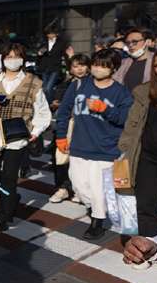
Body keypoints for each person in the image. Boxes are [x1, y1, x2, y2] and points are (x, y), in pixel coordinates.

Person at [55, 48, 133, 240]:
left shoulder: (121, 92)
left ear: (113, 68)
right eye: (96, 65)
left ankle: (97, 222)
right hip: (79, 146)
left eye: (103, 66)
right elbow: (64, 111)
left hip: (106, 148)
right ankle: (99, 206)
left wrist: (105, 109)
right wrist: (61, 136)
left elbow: (124, 119)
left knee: (98, 188)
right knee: (79, 186)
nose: (97, 69)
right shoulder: (79, 85)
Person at [0, 43, 50, 231]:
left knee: (9, 178)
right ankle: (11, 197)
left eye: (16, 56)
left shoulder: (33, 82)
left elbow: (43, 111)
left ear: (23, 59)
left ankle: (2, 216)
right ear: (2, 58)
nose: (12, 60)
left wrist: (35, 131)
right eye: (8, 56)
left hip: (17, 138)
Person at [117, 48, 157, 237]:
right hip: (147, 157)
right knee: (145, 204)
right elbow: (132, 124)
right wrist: (124, 149)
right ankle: (148, 245)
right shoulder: (144, 92)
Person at [49, 54, 91, 203]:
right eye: (75, 66)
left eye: (82, 65)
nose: (79, 69)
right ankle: (63, 188)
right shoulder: (68, 82)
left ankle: (79, 189)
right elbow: (63, 107)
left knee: (81, 160)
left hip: (84, 125)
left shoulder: (91, 82)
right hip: (67, 124)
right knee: (61, 158)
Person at [37, 22, 71, 100]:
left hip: (55, 68)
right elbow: (39, 54)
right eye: (48, 33)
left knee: (49, 88)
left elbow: (65, 56)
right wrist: (39, 54)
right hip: (44, 67)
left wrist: (68, 69)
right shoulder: (44, 42)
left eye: (51, 33)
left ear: (55, 33)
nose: (49, 35)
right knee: (45, 88)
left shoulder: (61, 42)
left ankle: (50, 103)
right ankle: (49, 103)